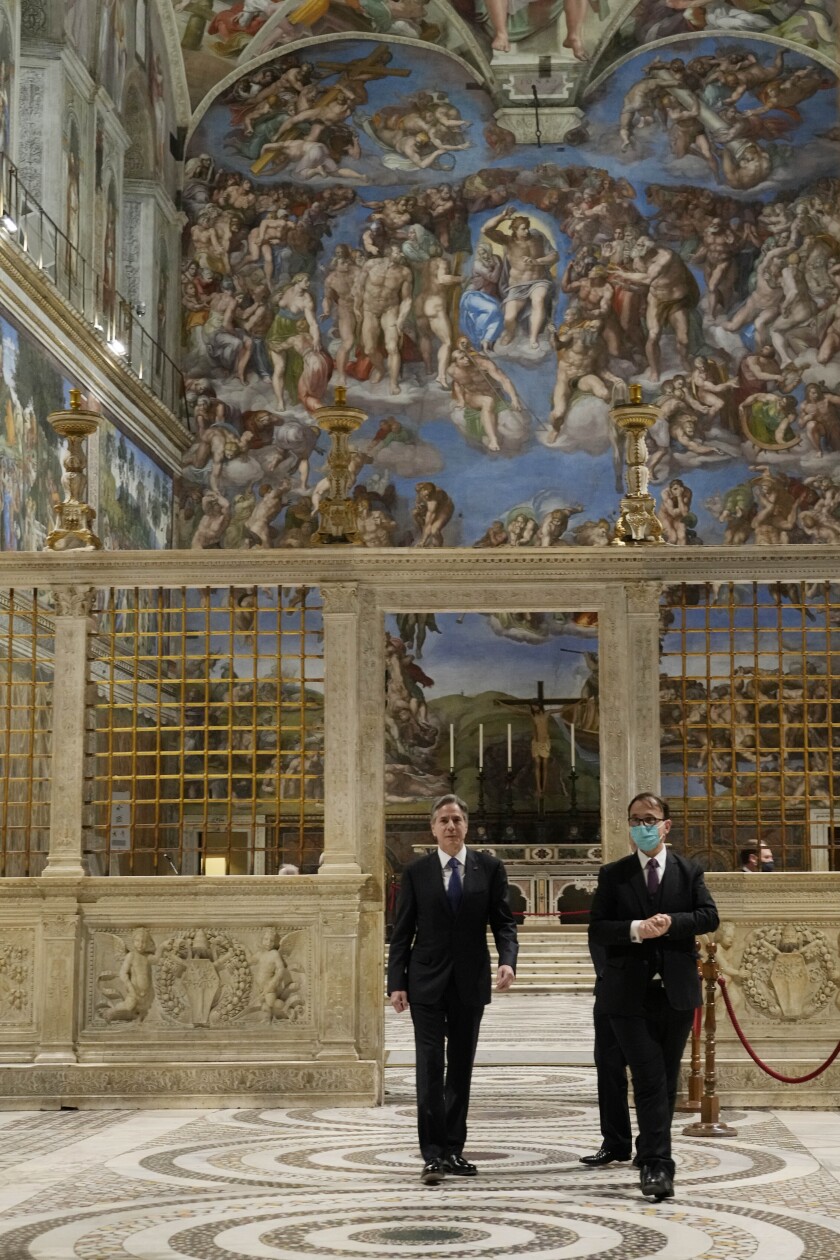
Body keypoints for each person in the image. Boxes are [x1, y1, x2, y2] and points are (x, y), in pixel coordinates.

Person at [588, 792, 719, 1202]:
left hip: (675, 992)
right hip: (627, 995)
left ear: (666, 825)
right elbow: (598, 928)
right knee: (647, 1075)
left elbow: (708, 915)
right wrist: (635, 928)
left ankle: (649, 1151)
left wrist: (671, 923)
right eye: (635, 819)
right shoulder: (615, 875)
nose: (642, 826)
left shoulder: (689, 870)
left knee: (664, 1079)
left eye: (650, 818)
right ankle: (658, 1168)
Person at [387, 794, 518, 1185]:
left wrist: (508, 959)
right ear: (432, 828)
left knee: (460, 1069)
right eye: (443, 820)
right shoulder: (416, 872)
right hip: (425, 983)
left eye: (457, 820)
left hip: (469, 982)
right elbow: (402, 931)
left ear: (466, 826)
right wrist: (396, 982)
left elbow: (504, 922)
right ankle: (432, 1154)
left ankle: (454, 1150)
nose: (450, 826)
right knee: (430, 1068)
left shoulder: (489, 868)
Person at [579, 935, 635, 1169]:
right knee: (609, 1067)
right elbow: (598, 932)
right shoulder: (611, 897)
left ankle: (651, 1146)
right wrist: (609, 975)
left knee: (651, 1072)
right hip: (610, 986)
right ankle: (615, 1142)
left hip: (652, 986)